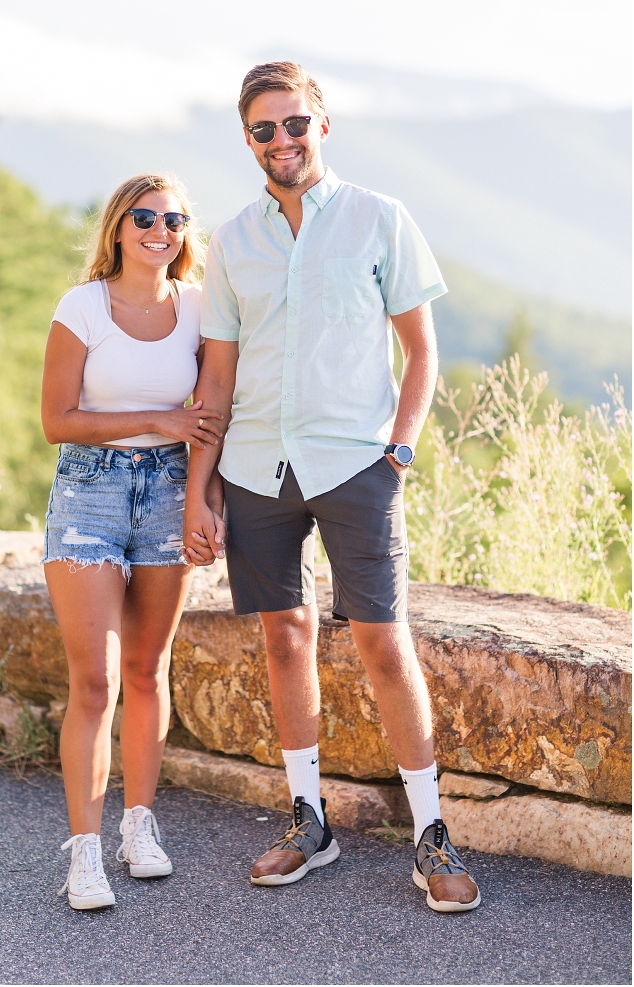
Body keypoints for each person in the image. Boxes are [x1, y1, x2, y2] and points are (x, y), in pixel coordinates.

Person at [183, 62, 480, 913]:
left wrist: (402, 451)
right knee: (285, 639)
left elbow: (423, 351)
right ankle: (307, 820)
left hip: (357, 465)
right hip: (255, 470)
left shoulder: (380, 220)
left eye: (296, 123)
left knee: (386, 643)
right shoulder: (234, 239)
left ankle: (431, 835)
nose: (282, 140)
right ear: (248, 141)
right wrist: (198, 489)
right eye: (264, 130)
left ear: (323, 123)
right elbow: (219, 376)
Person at [41, 172, 224, 910]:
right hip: (88, 491)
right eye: (144, 216)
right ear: (119, 227)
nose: (160, 228)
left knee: (149, 669)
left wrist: (204, 503)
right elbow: (57, 419)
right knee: (96, 681)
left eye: (174, 218)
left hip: (169, 491)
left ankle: (138, 827)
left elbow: (213, 417)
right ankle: (84, 853)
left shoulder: (202, 309)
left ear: (185, 230)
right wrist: (160, 417)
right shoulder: (81, 307)